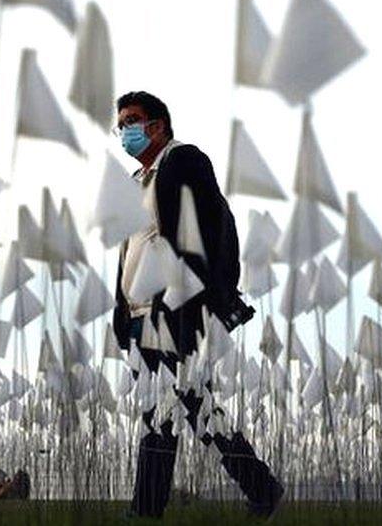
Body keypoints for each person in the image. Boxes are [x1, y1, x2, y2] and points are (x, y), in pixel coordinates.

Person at [111, 91, 283, 518]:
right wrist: (121, 309)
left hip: (174, 308)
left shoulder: (184, 161)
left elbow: (204, 231)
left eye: (132, 120)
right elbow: (130, 248)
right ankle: (260, 487)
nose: (125, 131)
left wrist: (191, 297)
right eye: (121, 124)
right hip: (139, 315)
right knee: (186, 404)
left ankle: (147, 508)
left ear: (158, 125)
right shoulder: (135, 184)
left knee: (168, 406)